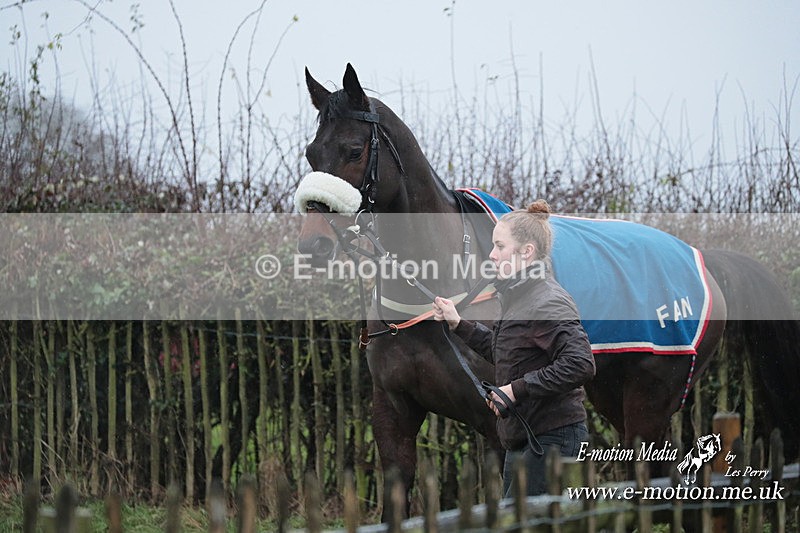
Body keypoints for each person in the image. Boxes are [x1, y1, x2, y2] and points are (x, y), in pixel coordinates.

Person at [432, 199, 595, 497]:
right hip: (524, 438)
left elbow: (581, 363)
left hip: (553, 439)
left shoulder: (547, 301)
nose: (492, 255)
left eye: (500, 246)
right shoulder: (518, 297)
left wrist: (514, 390)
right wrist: (459, 324)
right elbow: (507, 355)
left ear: (526, 252)